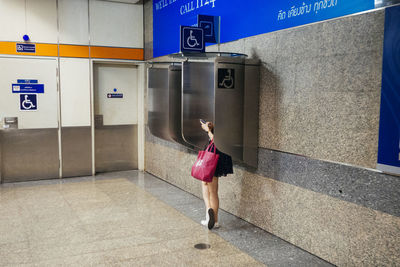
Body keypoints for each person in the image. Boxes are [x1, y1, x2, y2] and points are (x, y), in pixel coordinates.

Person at [200, 121, 233, 229]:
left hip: (212, 159)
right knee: (213, 191)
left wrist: (208, 130)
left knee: (205, 185)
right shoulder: (228, 119)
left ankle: (209, 210)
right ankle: (215, 221)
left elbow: (215, 140)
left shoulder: (222, 125)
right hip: (220, 158)